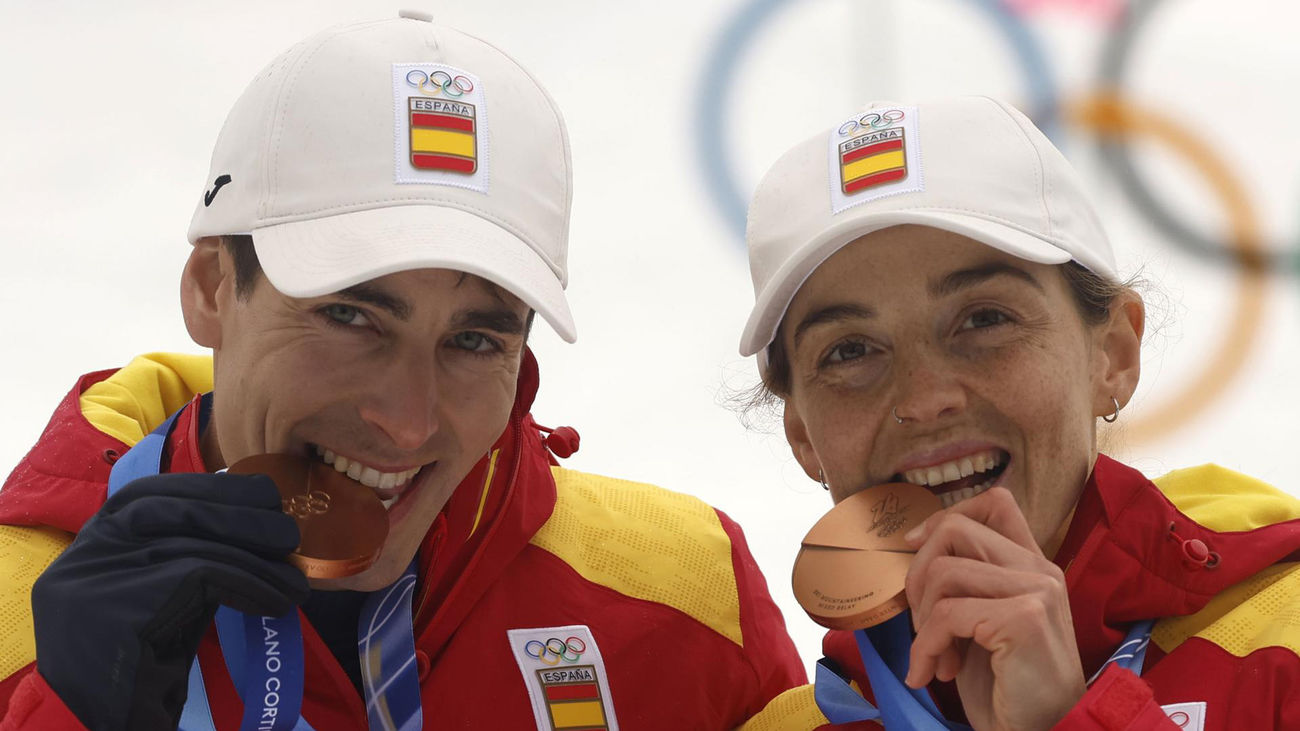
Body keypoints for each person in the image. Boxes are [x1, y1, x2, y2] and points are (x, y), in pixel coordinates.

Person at [0, 13, 805, 730]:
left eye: (475, 340)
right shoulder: (15, 613)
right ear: (213, 287)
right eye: (350, 317)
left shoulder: (687, 597)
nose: (409, 420)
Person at [732, 97, 1300, 730]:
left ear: (1112, 354)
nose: (923, 399)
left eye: (984, 319)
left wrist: (1067, 720)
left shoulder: (1284, 649)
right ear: (803, 434)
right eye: (850, 351)